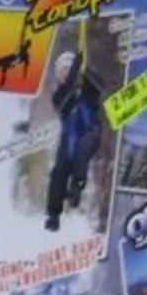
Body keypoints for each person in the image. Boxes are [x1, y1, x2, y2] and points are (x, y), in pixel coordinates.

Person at [46, 48, 105, 232]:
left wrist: (85, 71)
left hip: (89, 132)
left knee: (82, 150)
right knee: (59, 171)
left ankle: (76, 188)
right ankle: (54, 214)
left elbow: (100, 87)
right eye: (62, 71)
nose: (65, 74)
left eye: (68, 69)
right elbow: (65, 98)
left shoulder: (88, 90)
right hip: (68, 139)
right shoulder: (59, 96)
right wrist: (73, 74)